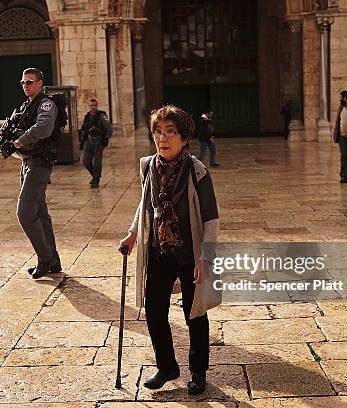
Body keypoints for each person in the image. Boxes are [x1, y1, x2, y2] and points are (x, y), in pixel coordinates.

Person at [119, 105, 221, 395]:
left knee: (195, 314)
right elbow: (145, 204)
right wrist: (133, 233)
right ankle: (166, 367)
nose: (163, 139)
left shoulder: (196, 170)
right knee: (153, 310)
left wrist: (206, 258)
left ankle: (198, 371)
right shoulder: (148, 165)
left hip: (190, 253)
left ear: (184, 138)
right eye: (158, 132)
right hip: (159, 250)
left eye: (170, 133)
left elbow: (211, 218)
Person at [10, 67, 62, 279]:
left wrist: (20, 140)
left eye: (29, 82)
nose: (25, 86)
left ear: (40, 83)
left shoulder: (46, 104)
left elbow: (44, 128)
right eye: (23, 83)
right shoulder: (26, 105)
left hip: (40, 164)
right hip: (27, 162)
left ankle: (45, 259)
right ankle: (54, 260)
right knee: (40, 213)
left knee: (24, 212)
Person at [80, 99, 112, 187]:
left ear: (97, 106)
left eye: (94, 105)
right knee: (86, 161)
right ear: (89, 106)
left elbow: (109, 128)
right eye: (91, 105)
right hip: (89, 141)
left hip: (99, 141)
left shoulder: (101, 116)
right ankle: (95, 175)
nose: (93, 107)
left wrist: (106, 138)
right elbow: (84, 128)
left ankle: (96, 179)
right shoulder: (87, 116)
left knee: (97, 162)